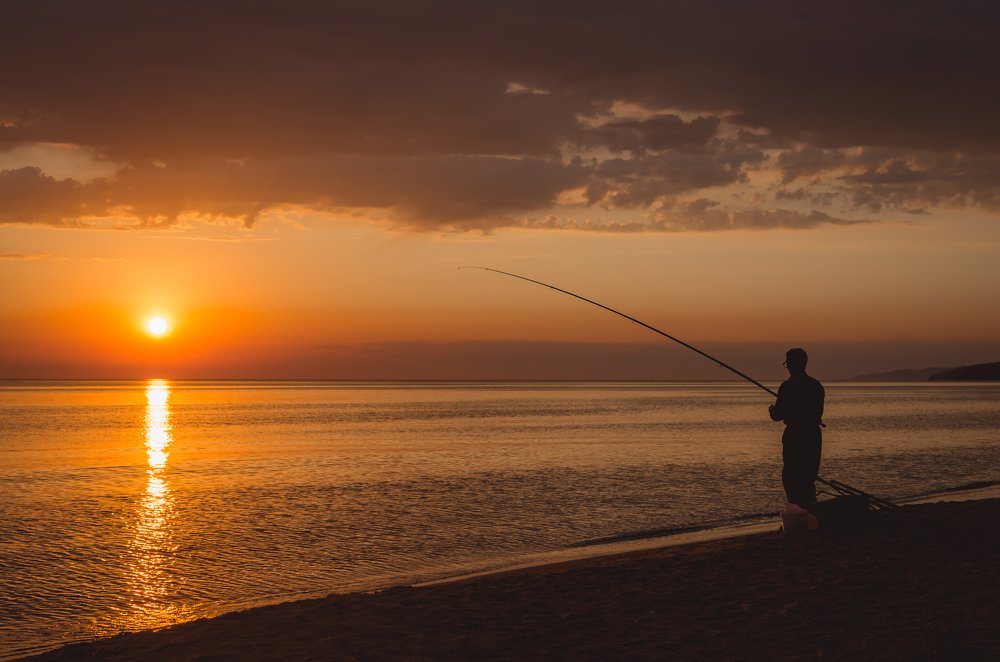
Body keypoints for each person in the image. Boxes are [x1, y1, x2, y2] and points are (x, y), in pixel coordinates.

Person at [769, 348, 824, 508]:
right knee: (808, 476)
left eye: (787, 363)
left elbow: (777, 415)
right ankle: (809, 510)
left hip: (795, 435)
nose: (787, 366)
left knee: (791, 477)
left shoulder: (787, 386)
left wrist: (771, 409)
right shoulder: (815, 385)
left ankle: (797, 511)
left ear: (792, 364)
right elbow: (818, 412)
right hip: (813, 435)